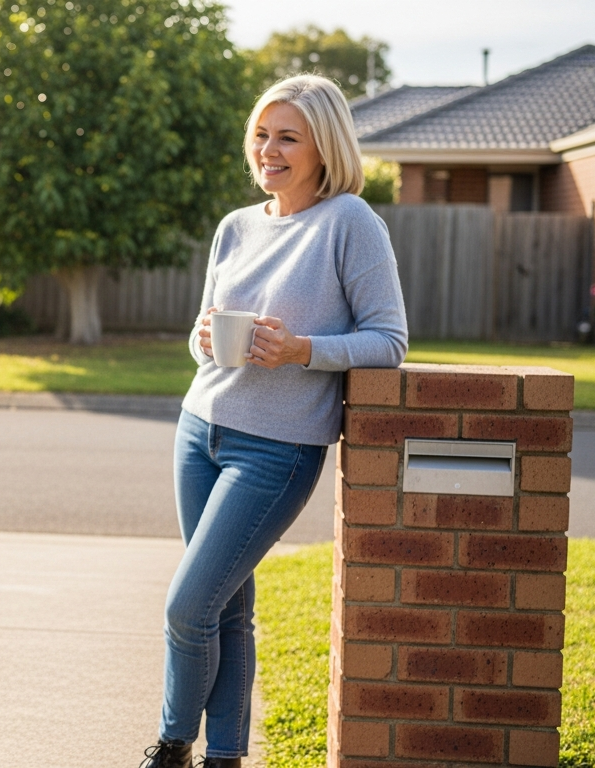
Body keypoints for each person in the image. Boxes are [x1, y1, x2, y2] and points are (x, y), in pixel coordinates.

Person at [139, 75, 408, 768]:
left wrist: (302, 350)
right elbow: (202, 336)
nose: (270, 149)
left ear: (325, 146)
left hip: (278, 448)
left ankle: (172, 744)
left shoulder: (350, 221)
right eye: (262, 133)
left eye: (288, 136)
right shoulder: (237, 226)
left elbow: (390, 341)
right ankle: (224, 756)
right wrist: (200, 337)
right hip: (200, 428)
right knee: (226, 610)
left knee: (186, 607)